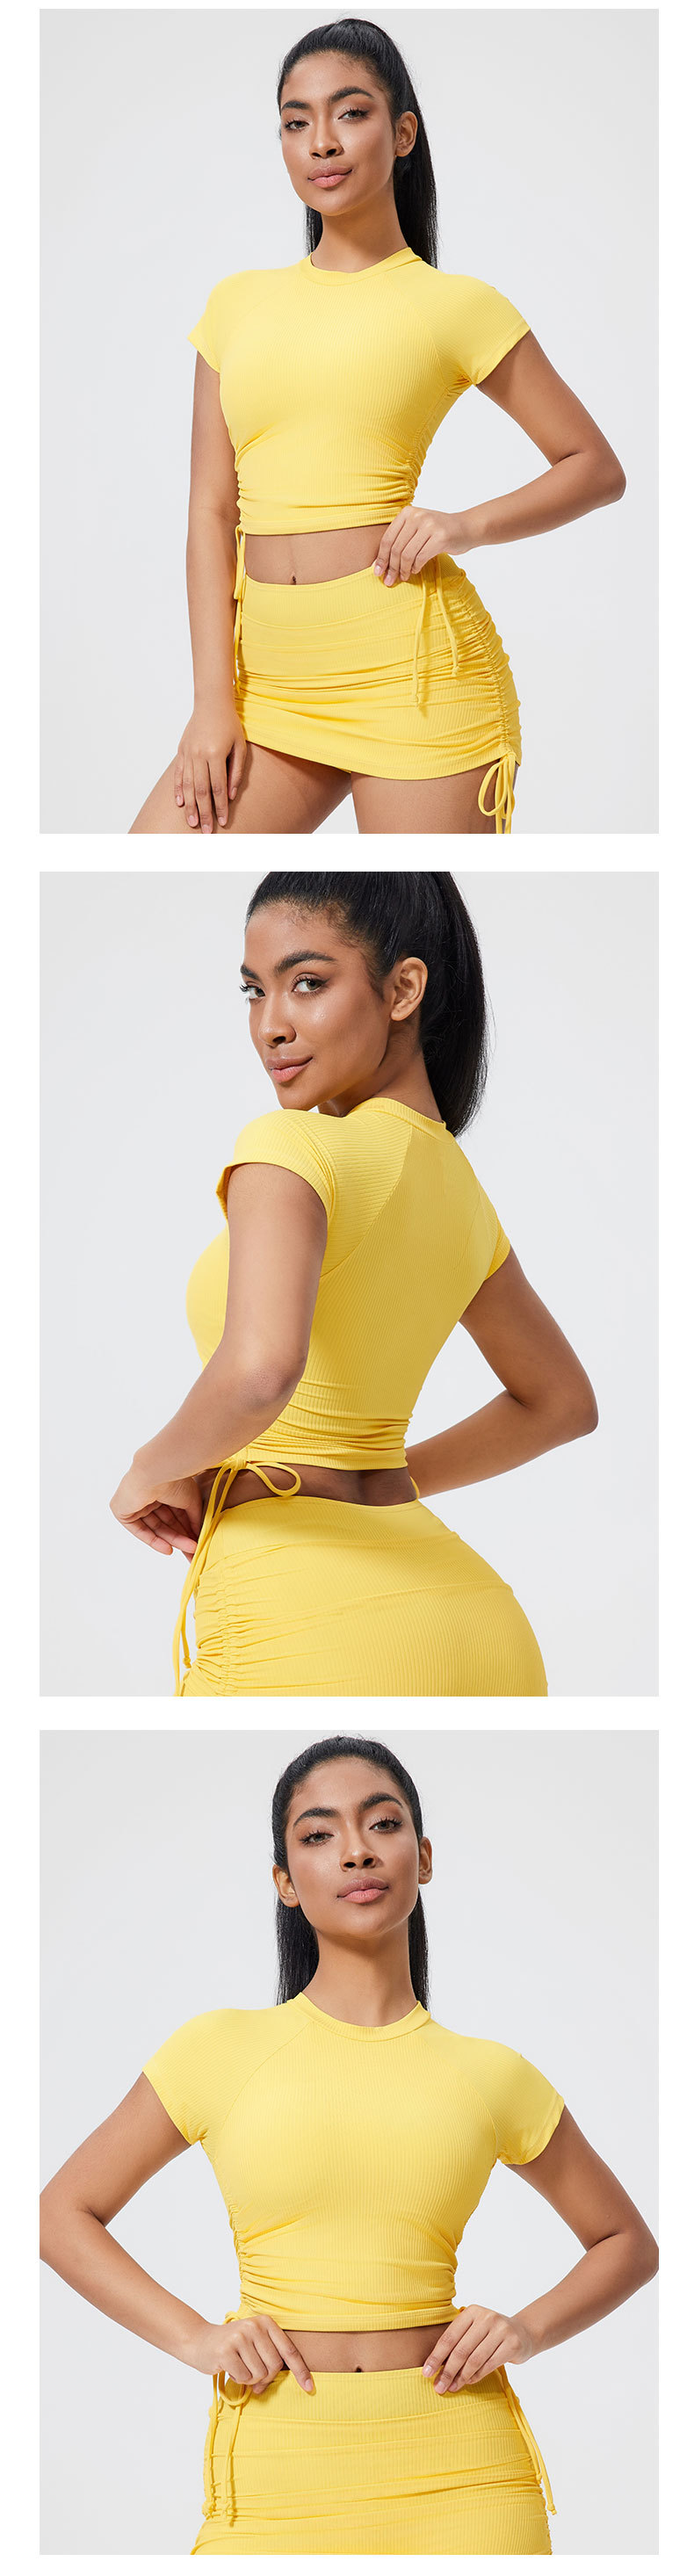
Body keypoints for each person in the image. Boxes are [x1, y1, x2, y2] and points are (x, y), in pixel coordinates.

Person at [40, 1735, 659, 2555]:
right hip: (277, 2472)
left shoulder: (492, 2074)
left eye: (383, 1823)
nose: (357, 1850)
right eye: (319, 1834)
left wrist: (527, 2330)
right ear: (285, 1882)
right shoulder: (217, 2051)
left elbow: (627, 2244)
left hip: (464, 2473)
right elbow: (59, 2214)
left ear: (423, 1858)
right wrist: (195, 2337)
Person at [129, 16, 625, 841]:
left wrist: (464, 526)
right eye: (297, 122)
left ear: (402, 134)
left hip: (414, 677)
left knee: (411, 901)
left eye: (350, 113)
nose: (321, 141)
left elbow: (595, 467)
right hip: (269, 686)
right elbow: (211, 510)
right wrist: (212, 702)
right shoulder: (236, 304)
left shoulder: (455, 306)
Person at [109, 872, 598, 1697]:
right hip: (474, 1622)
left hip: (304, 1613)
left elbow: (261, 1371)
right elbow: (563, 1403)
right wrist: (384, 1475)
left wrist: (150, 1470)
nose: (270, 1025)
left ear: (403, 989)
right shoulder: (462, 1196)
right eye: (254, 991)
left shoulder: (291, 1147)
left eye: (307, 983)